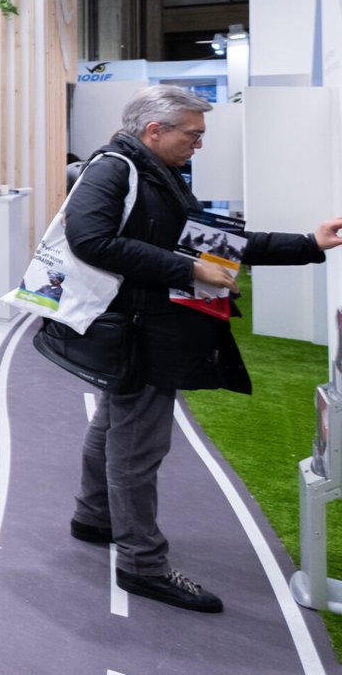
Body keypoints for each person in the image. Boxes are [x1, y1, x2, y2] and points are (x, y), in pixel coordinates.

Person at [63, 86, 342, 612]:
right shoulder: (117, 169)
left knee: (114, 425)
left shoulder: (156, 171)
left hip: (147, 329)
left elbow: (213, 244)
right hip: (139, 332)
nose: (199, 144)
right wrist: (187, 269)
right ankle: (142, 565)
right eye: (193, 134)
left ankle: (94, 517)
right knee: (136, 447)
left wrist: (308, 243)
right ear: (154, 131)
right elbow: (90, 240)